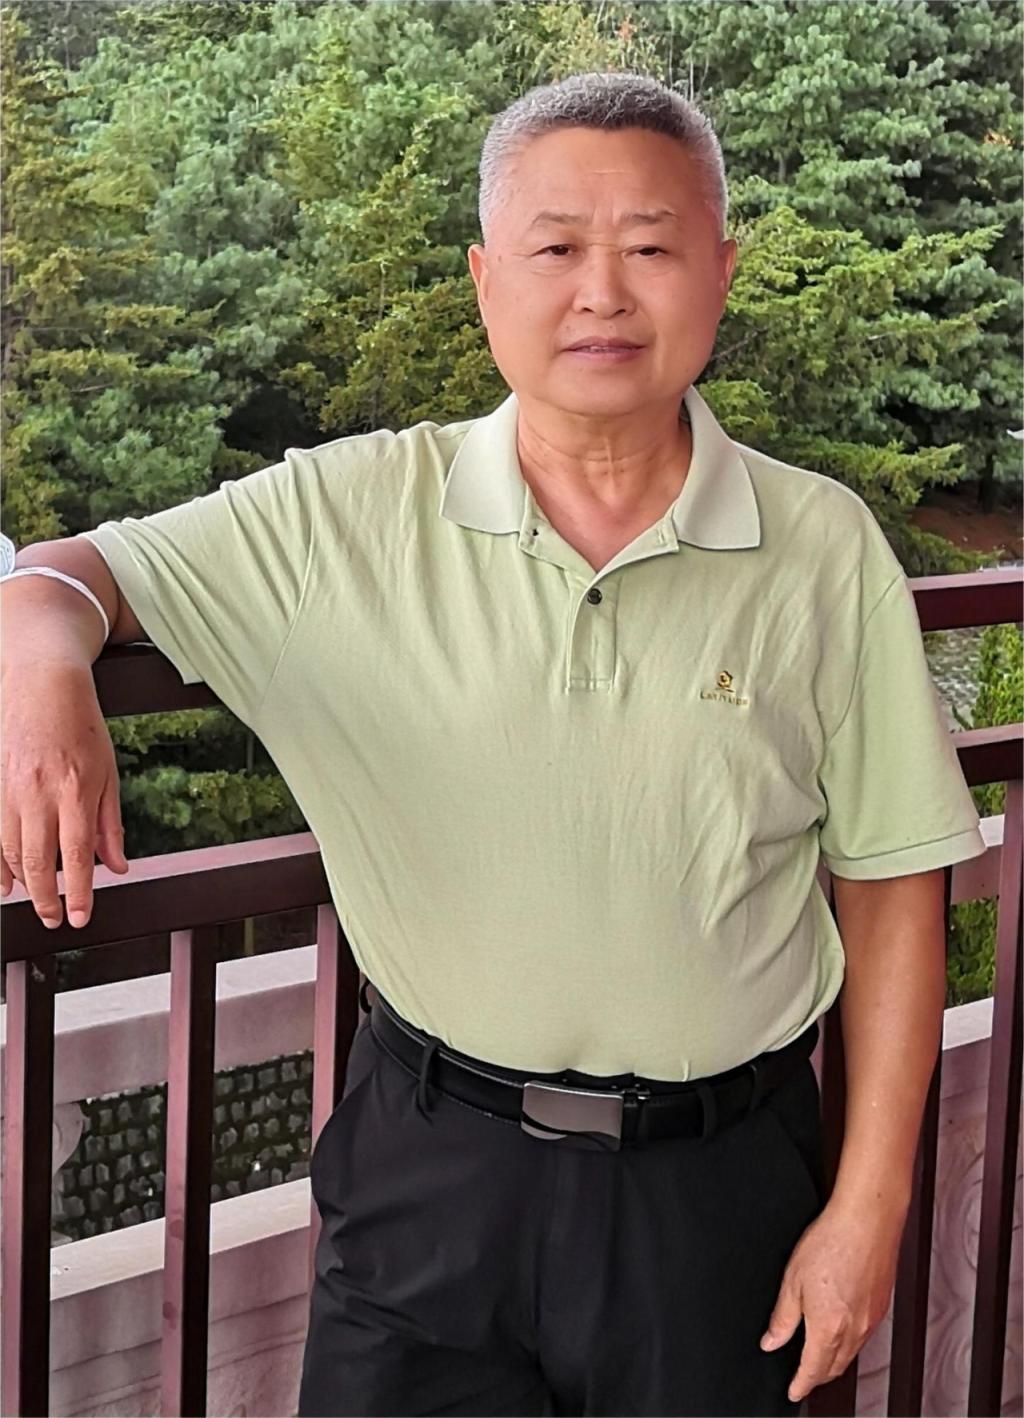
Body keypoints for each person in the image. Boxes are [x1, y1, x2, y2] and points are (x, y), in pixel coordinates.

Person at [0, 72, 987, 1418]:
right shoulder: (347, 515)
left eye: (651, 248)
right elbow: (72, 576)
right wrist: (37, 667)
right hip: (433, 1174)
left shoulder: (820, 547)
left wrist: (870, 1207)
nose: (603, 293)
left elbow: (891, 884)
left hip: (720, 1193)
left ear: (721, 271)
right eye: (556, 247)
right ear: (484, 279)